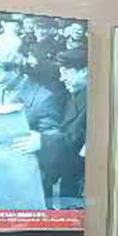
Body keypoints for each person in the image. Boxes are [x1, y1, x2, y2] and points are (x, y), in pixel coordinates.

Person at [42, 49, 88, 207]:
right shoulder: (76, 94)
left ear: (84, 71)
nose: (62, 78)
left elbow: (76, 139)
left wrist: (41, 140)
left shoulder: (95, 99)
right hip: (71, 177)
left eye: (66, 72)